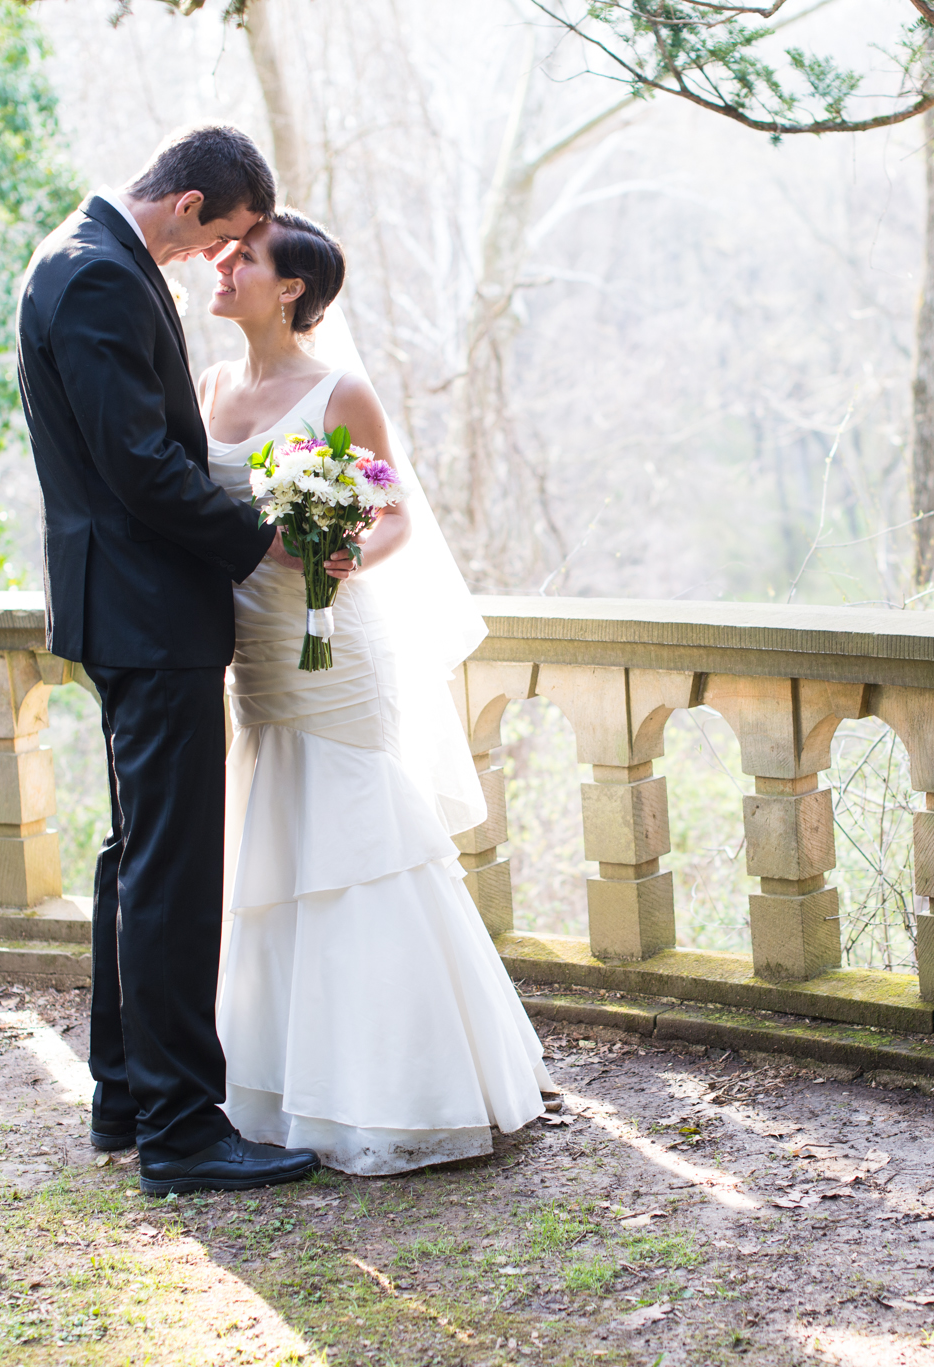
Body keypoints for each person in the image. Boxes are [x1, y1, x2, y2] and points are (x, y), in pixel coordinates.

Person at [199, 211, 555, 1175]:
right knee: (277, 844)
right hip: (253, 653)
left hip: (333, 646)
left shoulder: (339, 391)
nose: (223, 267)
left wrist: (339, 553)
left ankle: (407, 1087)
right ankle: (279, 1085)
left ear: (291, 292)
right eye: (226, 255)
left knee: (358, 842)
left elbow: (394, 514)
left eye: (247, 259)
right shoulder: (213, 385)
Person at [16, 124, 321, 1196]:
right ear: (190, 203)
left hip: (130, 609)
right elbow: (140, 465)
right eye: (225, 235)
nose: (216, 259)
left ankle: (128, 1096)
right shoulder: (97, 274)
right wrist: (262, 540)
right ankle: (184, 1131)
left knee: (138, 856)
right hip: (149, 612)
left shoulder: (80, 254)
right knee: (173, 871)